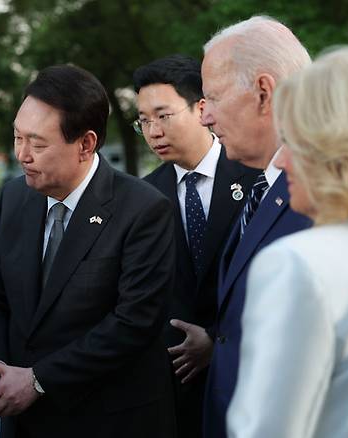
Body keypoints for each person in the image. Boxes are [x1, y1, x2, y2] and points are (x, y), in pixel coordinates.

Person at [0, 64, 176, 438]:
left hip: (108, 420)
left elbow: (132, 324)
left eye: (37, 142)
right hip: (24, 421)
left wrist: (36, 381)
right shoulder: (15, 198)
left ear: (86, 144)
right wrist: (0, 371)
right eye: (17, 137)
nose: (22, 154)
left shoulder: (144, 210)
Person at [228, 45, 348, 438]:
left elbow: (266, 429)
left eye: (295, 140)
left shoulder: (300, 264)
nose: (280, 161)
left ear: (337, 149)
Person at [199, 16, 313, 438]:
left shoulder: (321, 196)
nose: (205, 116)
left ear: (263, 93)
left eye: (212, 97)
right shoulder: (262, 184)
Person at [134, 54, 259, 438]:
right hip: (173, 388)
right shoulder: (143, 195)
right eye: (143, 121)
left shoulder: (256, 180)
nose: (153, 130)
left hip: (247, 375)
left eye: (163, 115)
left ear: (201, 107)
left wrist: (216, 338)